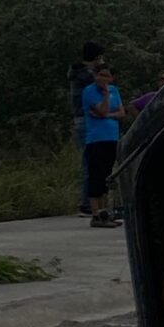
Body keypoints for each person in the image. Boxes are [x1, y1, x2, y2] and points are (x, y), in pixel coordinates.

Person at [81, 63, 124, 227]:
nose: (103, 79)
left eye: (107, 76)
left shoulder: (115, 90)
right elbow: (101, 111)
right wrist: (105, 94)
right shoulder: (89, 92)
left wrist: (108, 115)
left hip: (112, 137)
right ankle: (96, 214)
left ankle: (106, 212)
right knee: (96, 176)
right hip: (96, 138)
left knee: (107, 176)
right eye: (101, 75)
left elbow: (121, 113)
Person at [71, 41, 106, 214]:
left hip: (82, 120)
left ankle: (91, 201)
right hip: (86, 121)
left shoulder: (78, 74)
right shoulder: (86, 76)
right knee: (90, 162)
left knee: (90, 162)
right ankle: (87, 203)